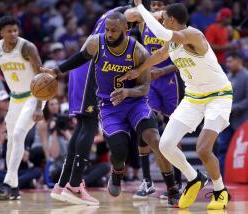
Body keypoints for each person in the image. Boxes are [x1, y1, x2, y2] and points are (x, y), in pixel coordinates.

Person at [41, 11, 180, 207]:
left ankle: (172, 187)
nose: (109, 33)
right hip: (109, 106)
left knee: (154, 140)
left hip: (135, 103)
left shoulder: (138, 51)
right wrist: (56, 71)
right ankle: (116, 172)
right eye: (107, 29)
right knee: (119, 151)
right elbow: (80, 58)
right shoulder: (97, 42)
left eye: (114, 30)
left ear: (127, 28)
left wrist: (127, 93)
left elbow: (145, 87)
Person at [120, 1, 233, 210]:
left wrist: (141, 8)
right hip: (193, 98)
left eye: (164, 18)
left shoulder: (193, 35)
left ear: (171, 20)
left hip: (218, 96)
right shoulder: (171, 41)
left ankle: (220, 190)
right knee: (165, 144)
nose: (162, 20)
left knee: (203, 148)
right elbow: (160, 55)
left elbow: (162, 33)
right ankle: (194, 178)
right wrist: (139, 70)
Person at [0, 16, 44, 200]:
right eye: (9, 31)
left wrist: (39, 107)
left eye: (15, 30)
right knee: (11, 140)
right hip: (15, 99)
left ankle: (7, 183)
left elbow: (43, 79)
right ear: (1, 33)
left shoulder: (27, 47)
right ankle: (14, 189)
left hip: (31, 97)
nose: (13, 34)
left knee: (19, 134)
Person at [125, 0, 182, 199]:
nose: (157, 8)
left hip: (170, 80)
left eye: (160, 4)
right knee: (143, 124)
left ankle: (179, 181)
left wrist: (163, 70)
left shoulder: (174, 26)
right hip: (150, 79)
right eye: (154, 4)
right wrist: (139, 6)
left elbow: (182, 60)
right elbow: (129, 15)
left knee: (173, 130)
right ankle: (147, 181)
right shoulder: (143, 22)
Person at [217, 52, 248, 175]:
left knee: (243, 151)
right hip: (227, 121)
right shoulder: (227, 77)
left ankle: (244, 175)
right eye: (227, 62)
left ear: (239, 61)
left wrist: (233, 108)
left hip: (242, 121)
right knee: (222, 149)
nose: (228, 64)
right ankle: (222, 180)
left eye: (230, 61)